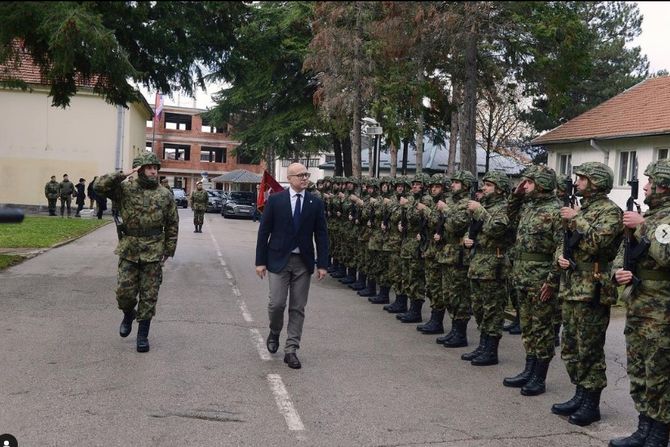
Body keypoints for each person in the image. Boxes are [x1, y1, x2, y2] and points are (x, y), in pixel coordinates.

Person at [551, 161, 623, 426]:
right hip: (571, 286)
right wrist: (560, 257)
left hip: (592, 288)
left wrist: (576, 219)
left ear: (595, 182)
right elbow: (565, 243)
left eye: (582, 178)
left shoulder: (610, 212)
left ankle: (591, 404)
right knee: (570, 347)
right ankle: (579, 394)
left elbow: (598, 244)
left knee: (589, 349)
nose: (577, 182)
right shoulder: (583, 209)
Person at [610, 159, 670, 447]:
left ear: (663, 186)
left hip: (662, 311)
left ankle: (659, 434)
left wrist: (644, 226)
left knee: (659, 372)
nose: (645, 187)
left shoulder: (661, 219)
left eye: (650, 182)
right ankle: (643, 428)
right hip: (638, 305)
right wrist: (617, 273)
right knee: (639, 369)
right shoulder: (649, 216)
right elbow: (622, 254)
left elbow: (667, 257)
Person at [94, 152, 179, 353]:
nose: (153, 171)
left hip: (154, 248)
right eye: (149, 167)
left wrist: (169, 249)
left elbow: (172, 223)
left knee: (149, 295)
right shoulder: (124, 189)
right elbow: (98, 186)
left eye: (155, 168)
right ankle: (128, 313)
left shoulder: (165, 194)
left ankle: (142, 335)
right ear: (139, 169)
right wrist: (122, 174)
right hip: (130, 247)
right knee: (124, 293)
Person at [255, 162, 329, 369]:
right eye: (300, 175)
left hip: (303, 263)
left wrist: (323, 264)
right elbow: (264, 232)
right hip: (278, 260)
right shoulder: (276, 201)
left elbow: (322, 234)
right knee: (277, 303)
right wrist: (260, 261)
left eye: (306, 174)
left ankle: (291, 349)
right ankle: (275, 331)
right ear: (289, 178)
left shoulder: (315, 203)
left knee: (298, 307)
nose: (305, 178)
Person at [503, 165, 562, 396]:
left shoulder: (556, 211)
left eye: (528, 182)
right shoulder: (528, 207)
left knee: (542, 329)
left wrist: (552, 281)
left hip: (541, 280)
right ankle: (528, 369)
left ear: (542, 184)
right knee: (527, 327)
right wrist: (515, 195)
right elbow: (510, 217)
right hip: (522, 277)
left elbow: (561, 248)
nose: (524, 185)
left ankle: (539, 376)